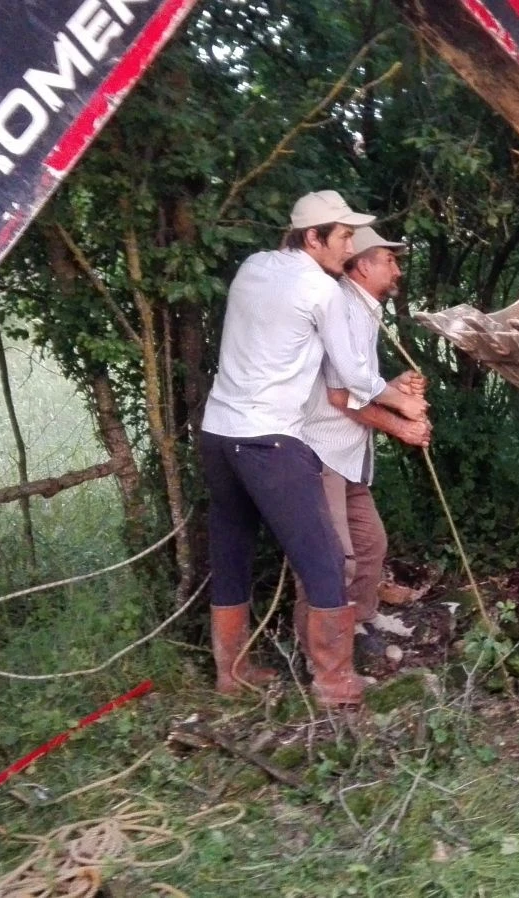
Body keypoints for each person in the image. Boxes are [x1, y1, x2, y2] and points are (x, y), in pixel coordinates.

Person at [198, 190, 428, 708]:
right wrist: (402, 405)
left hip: (218, 432)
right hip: (271, 438)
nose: (348, 248)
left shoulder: (253, 265)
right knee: (324, 557)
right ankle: (335, 683)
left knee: (232, 549)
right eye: (343, 236)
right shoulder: (319, 290)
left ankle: (230, 674)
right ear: (312, 237)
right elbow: (353, 377)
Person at [294, 229, 431, 660]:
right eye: (389, 260)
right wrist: (401, 425)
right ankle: (320, 656)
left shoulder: (363, 309)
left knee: (371, 545)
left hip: (347, 452)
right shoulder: (346, 307)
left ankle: (360, 626)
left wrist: (392, 388)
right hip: (322, 449)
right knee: (332, 558)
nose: (397, 270)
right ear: (364, 266)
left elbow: (354, 387)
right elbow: (339, 396)